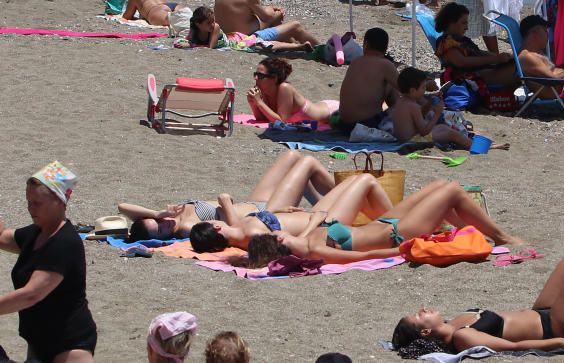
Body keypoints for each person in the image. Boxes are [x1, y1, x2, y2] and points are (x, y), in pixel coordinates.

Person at [391, 248, 564, 356]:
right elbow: (514, 346)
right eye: (419, 315)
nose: (424, 309)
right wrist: (558, 342)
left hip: (541, 313)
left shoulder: (454, 323)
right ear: (425, 331)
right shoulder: (462, 338)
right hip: (555, 327)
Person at [242, 180, 522, 267]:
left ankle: (472, 232)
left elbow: (316, 220)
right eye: (277, 235)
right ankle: (502, 237)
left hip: (385, 221)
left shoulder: (306, 238)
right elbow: (363, 256)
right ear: (280, 242)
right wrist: (404, 249)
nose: (278, 232)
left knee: (441, 185)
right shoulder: (315, 251)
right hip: (397, 234)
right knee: (452, 193)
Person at [119, 151, 339, 240]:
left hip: (253, 201)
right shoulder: (187, 229)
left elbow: (122, 206)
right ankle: (345, 195)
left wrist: (157, 212)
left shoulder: (168, 214)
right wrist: (225, 203)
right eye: (162, 231)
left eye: (160, 222)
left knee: (291, 156)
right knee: (307, 163)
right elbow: (229, 220)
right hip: (264, 213)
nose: (166, 224)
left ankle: (329, 201)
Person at [0, 162, 97, 362]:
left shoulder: (64, 242)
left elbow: (31, 295)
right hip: (39, 343)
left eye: (37, 203)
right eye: (28, 201)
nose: (30, 208)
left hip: (69, 347)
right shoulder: (36, 232)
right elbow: (1, 236)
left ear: (60, 202)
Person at [189, 173, 392, 252]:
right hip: (324, 224)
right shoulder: (252, 236)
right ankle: (395, 224)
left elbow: (235, 220)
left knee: (354, 181)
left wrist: (278, 211)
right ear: (217, 226)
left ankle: (385, 225)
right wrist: (315, 221)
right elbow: (290, 246)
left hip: (315, 214)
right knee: (366, 181)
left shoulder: (237, 230)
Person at [391, 67, 508, 150]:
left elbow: (417, 117)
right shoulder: (413, 106)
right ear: (412, 90)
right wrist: (437, 114)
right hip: (413, 141)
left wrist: (430, 102)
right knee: (451, 134)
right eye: (422, 88)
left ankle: (471, 143)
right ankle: (479, 147)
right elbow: (423, 131)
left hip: (403, 139)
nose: (424, 91)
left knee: (442, 127)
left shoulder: (402, 102)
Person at [434, 2, 519, 89]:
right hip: (470, 79)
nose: (467, 28)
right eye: (464, 23)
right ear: (451, 23)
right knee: (520, 68)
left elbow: (477, 53)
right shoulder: (447, 42)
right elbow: (461, 62)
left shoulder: (461, 39)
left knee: (518, 64)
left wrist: (500, 57)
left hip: (481, 73)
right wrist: (495, 59)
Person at [337, 27, 399, 132]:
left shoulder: (355, 62)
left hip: (344, 125)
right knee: (392, 86)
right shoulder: (385, 65)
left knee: (387, 83)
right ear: (385, 47)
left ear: (365, 44)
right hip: (366, 125)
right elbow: (406, 88)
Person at [247, 57, 336, 124]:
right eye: (255, 74)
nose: (256, 78)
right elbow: (263, 120)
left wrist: (259, 102)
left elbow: (281, 122)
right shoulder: (265, 91)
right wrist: (253, 103)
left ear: (274, 78)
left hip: (332, 112)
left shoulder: (285, 88)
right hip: (321, 107)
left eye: (260, 76)